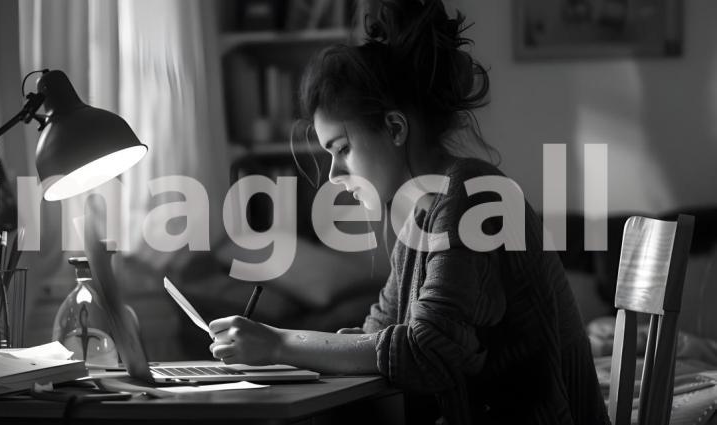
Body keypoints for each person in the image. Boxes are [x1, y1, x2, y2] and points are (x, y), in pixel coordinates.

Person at [208, 1, 609, 423]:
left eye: (342, 149)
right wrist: (301, 347)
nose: (333, 174)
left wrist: (278, 344)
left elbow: (425, 351)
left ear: (396, 129)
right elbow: (377, 335)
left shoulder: (472, 193)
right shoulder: (420, 216)